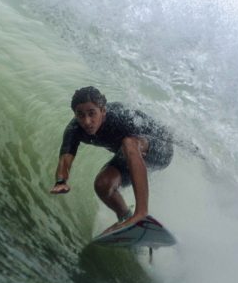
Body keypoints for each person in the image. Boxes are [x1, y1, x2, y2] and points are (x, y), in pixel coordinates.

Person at [50, 86, 173, 234]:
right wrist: (61, 182)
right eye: (80, 115)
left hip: (160, 150)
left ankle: (141, 213)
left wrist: (195, 149)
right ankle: (126, 220)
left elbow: (165, 133)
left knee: (129, 143)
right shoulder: (74, 129)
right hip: (131, 156)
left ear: (103, 111)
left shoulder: (121, 116)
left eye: (91, 113)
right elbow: (65, 159)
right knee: (103, 184)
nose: (87, 121)